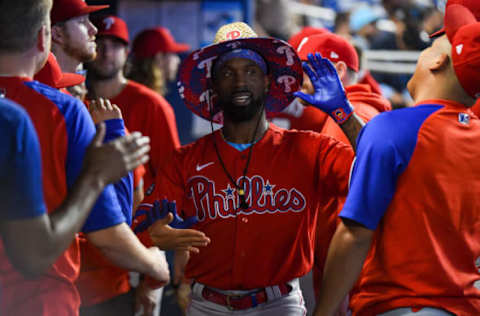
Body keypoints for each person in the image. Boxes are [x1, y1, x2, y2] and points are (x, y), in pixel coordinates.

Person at [146, 22, 364, 315]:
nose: (239, 82)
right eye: (227, 73)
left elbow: (374, 171)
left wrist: (343, 113)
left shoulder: (311, 149)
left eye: (250, 71)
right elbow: (151, 225)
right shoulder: (185, 159)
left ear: (267, 81)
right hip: (207, 305)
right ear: (213, 86)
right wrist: (158, 233)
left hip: (279, 303)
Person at [0, 1, 169, 315]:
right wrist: (155, 265)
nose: (96, 30)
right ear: (45, 36)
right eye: (85, 22)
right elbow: (106, 231)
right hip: (40, 299)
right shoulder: (60, 110)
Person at [314, 3, 480, 316]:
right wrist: (343, 113)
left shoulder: (393, 128)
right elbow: (403, 152)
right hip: (464, 305)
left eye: (430, 46)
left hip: (400, 305)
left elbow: (354, 234)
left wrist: (322, 311)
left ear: (437, 60)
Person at [81, 15, 207, 316]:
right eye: (101, 43)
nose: (107, 51)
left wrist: (181, 246)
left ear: (127, 54)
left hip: (145, 245)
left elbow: (179, 179)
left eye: (116, 45)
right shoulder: (77, 102)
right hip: (90, 250)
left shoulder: (151, 104)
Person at [0, 97, 149, 276]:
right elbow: (115, 227)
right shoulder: (66, 112)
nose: (75, 93)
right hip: (69, 282)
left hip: (69, 277)